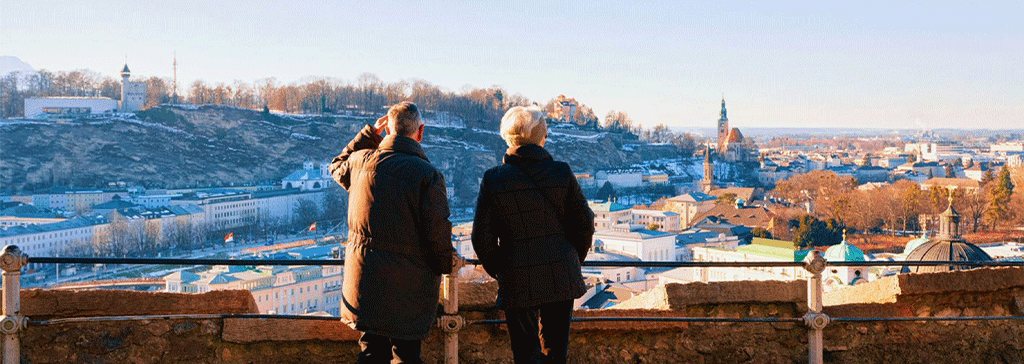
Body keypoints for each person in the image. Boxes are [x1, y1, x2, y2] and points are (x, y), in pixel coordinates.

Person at [330, 101, 459, 364]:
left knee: (370, 354)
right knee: (407, 356)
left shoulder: (360, 163)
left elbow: (336, 166)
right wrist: (448, 263)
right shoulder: (429, 175)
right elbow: (438, 233)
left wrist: (368, 135)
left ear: (387, 128)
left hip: (366, 283)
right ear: (420, 131)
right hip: (410, 289)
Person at [472, 106, 595, 364]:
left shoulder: (494, 179)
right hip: (560, 273)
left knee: (525, 356)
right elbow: (585, 223)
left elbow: (481, 238)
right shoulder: (561, 172)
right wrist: (572, 258)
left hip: (517, 275)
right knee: (556, 352)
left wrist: (502, 268)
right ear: (541, 138)